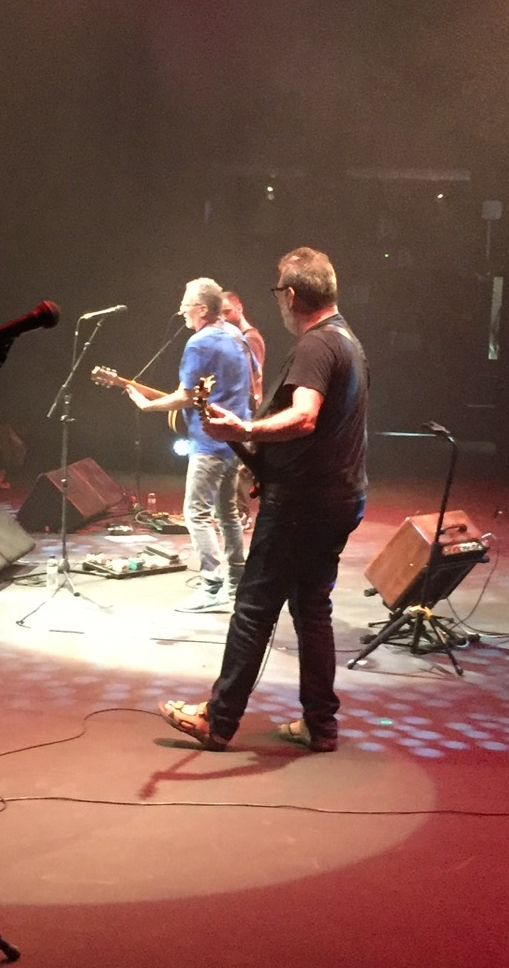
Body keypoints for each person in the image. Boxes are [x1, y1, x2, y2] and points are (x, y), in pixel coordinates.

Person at [161, 247, 368, 752]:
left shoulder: (316, 345)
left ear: (291, 295)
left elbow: (305, 416)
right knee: (312, 609)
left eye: (278, 292)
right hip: (339, 495)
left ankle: (218, 719)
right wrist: (271, 465)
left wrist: (246, 429)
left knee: (254, 608)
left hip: (302, 505)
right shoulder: (347, 340)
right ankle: (321, 724)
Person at [125, 277, 254, 612]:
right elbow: (247, 383)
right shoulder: (236, 335)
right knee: (227, 513)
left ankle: (212, 587)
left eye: (186, 303)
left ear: (202, 309)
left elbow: (185, 396)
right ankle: (237, 581)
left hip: (210, 443)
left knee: (195, 513)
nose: (181, 309)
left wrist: (148, 406)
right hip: (235, 440)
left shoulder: (199, 343)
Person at [220, 288, 266, 529]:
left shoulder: (250, 338)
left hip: (247, 409)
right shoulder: (235, 337)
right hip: (240, 408)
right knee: (234, 465)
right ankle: (235, 512)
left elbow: (252, 377)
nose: (224, 317)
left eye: (227, 311)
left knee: (239, 467)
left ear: (239, 308)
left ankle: (241, 514)